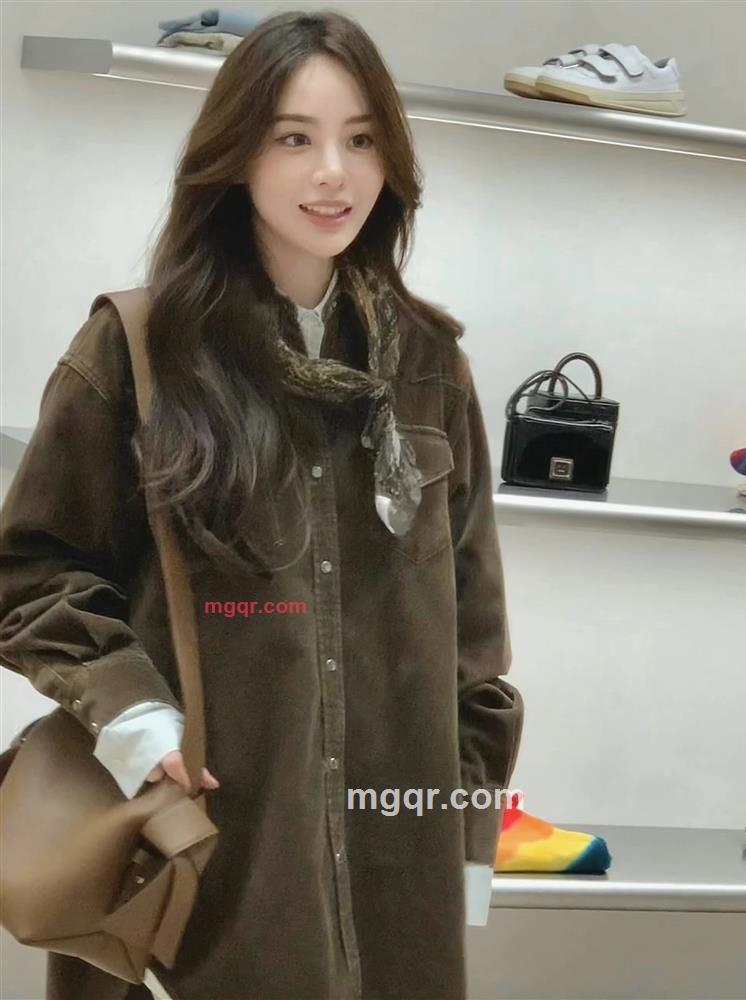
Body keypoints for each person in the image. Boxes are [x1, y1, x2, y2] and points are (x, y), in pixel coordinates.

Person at [0, 10, 524, 1000]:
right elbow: (31, 570)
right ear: (235, 154)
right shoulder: (140, 351)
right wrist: (135, 719)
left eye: (361, 139)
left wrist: (458, 851)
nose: (333, 172)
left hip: (393, 875)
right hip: (199, 849)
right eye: (293, 137)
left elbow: (474, 648)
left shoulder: (427, 366)